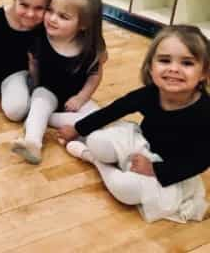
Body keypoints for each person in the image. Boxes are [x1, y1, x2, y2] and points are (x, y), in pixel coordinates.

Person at [59, 25, 210, 223]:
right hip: (141, 145)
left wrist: (155, 170)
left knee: (126, 190)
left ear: (204, 73)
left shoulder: (205, 112)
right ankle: (105, 156)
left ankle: (93, 160)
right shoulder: (149, 94)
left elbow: (200, 160)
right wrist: (78, 129)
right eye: (165, 60)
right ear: (150, 67)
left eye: (187, 63)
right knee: (96, 140)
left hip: (171, 170)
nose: (174, 69)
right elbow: (114, 109)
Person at [11, 0, 107, 164]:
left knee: (98, 118)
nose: (52, 19)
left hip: (75, 99)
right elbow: (34, 65)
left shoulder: (89, 48)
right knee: (40, 104)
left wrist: (81, 97)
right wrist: (34, 84)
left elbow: (95, 74)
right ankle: (33, 143)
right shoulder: (41, 37)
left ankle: (47, 119)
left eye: (63, 17)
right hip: (47, 91)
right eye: (50, 11)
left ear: (83, 25)